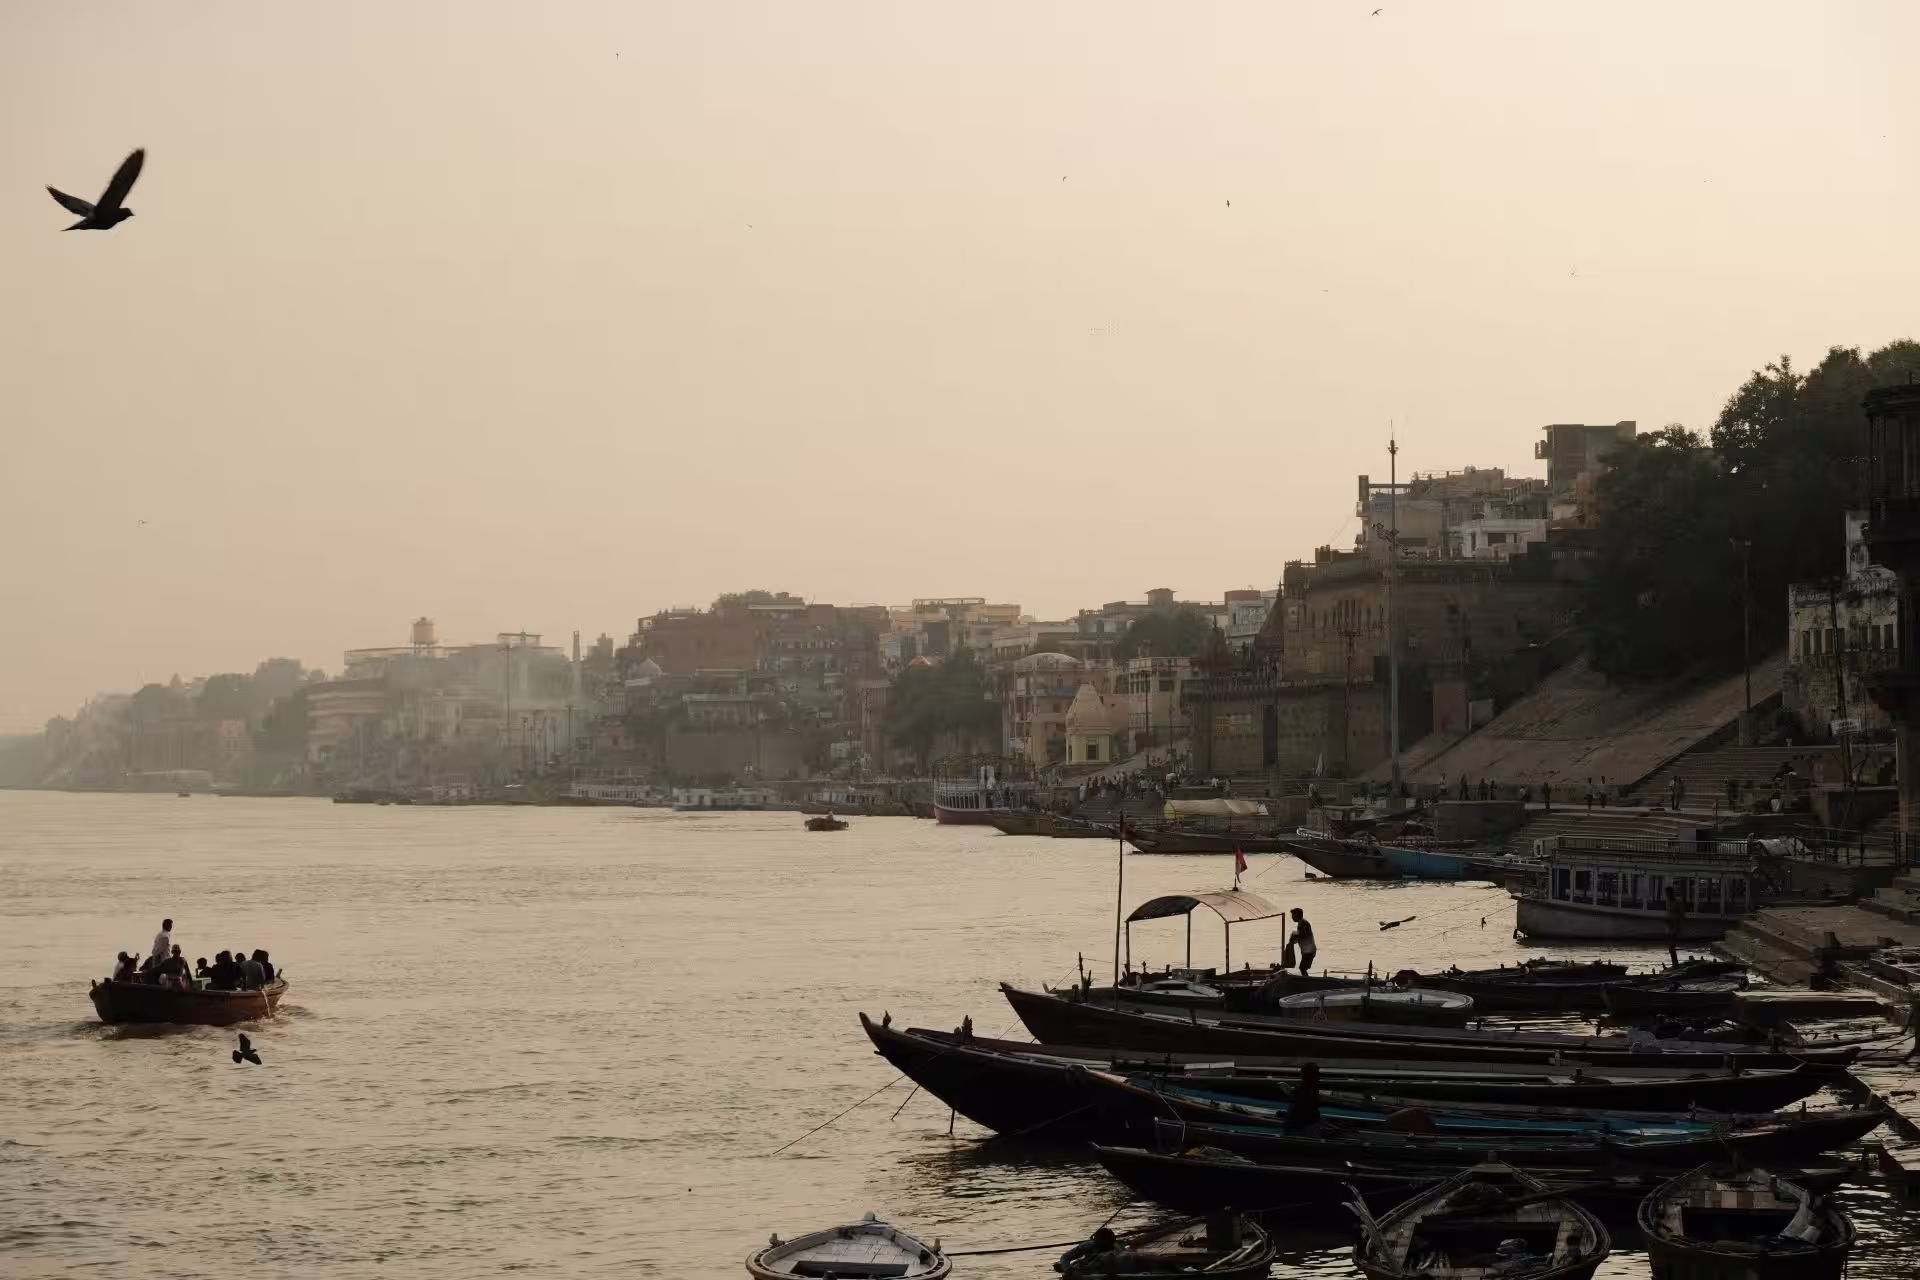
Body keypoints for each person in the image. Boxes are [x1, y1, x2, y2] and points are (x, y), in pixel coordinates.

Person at [1284, 1061, 1323, 1133]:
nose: (1319, 1077)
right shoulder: (1303, 1092)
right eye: (1316, 1074)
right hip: (1303, 1128)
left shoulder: (1309, 1089)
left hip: (1307, 1125)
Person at [1664, 885, 1687, 968]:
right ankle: (1674, 963)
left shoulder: (1678, 901)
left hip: (1675, 926)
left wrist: (1678, 925)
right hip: (1668, 927)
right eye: (1666, 893)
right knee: (1670, 947)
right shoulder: (1667, 901)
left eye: (1668, 893)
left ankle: (1675, 964)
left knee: (1672, 946)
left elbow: (1681, 914)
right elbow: (1668, 912)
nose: (1667, 895)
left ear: (1671, 893)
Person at [1289, 907, 1317, 976]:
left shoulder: (1303, 923)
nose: (1292, 917)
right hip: (1307, 951)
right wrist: (1294, 937)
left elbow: (1303, 935)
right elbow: (1302, 936)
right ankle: (1307, 981)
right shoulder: (1301, 923)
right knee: (1303, 968)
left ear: (1298, 915)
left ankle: (1307, 983)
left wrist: (1294, 936)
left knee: (1302, 968)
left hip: (1309, 951)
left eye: (1293, 915)